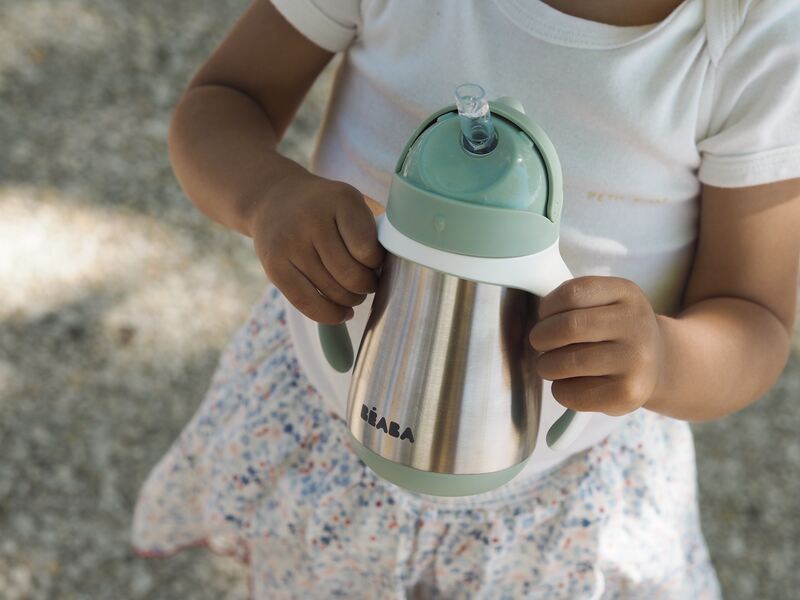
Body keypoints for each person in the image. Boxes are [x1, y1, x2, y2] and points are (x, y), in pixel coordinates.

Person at [132, 0, 800, 597]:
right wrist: (265, 195)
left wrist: (664, 358)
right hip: (328, 443)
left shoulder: (756, 39)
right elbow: (225, 98)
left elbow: (754, 317)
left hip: (563, 502)